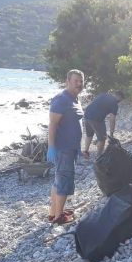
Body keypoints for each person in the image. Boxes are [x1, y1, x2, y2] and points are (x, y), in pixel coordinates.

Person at [47, 69, 84, 225]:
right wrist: (51, 147)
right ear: (67, 81)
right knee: (64, 181)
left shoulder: (75, 99)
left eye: (81, 81)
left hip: (72, 148)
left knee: (59, 180)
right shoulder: (61, 100)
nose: (79, 84)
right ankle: (58, 218)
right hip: (63, 148)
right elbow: (52, 124)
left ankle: (53, 213)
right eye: (76, 80)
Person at [82, 90, 125, 158]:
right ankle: (99, 157)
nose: (120, 101)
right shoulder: (114, 103)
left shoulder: (103, 94)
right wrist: (111, 134)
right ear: (119, 97)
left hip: (87, 115)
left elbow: (95, 103)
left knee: (89, 135)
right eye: (121, 100)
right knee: (102, 139)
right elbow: (112, 119)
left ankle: (86, 152)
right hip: (97, 119)